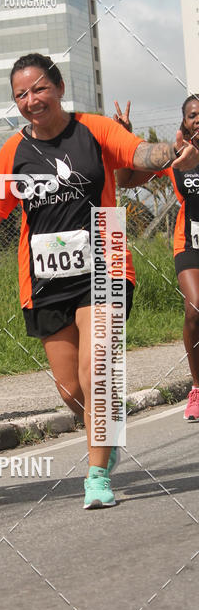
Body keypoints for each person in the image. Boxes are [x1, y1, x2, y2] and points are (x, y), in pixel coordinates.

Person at [0, 53, 199, 509]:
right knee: (70, 389)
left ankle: (96, 475)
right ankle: (104, 433)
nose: (31, 100)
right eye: (21, 95)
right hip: (45, 276)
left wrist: (174, 150)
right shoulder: (15, 151)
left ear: (60, 87)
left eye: (39, 89)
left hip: (105, 258)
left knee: (97, 371)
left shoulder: (94, 130)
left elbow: (137, 155)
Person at [117, 94, 199, 421]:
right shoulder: (174, 156)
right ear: (185, 122)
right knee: (194, 310)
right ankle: (197, 388)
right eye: (193, 115)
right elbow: (125, 180)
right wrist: (125, 136)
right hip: (189, 242)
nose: (198, 119)